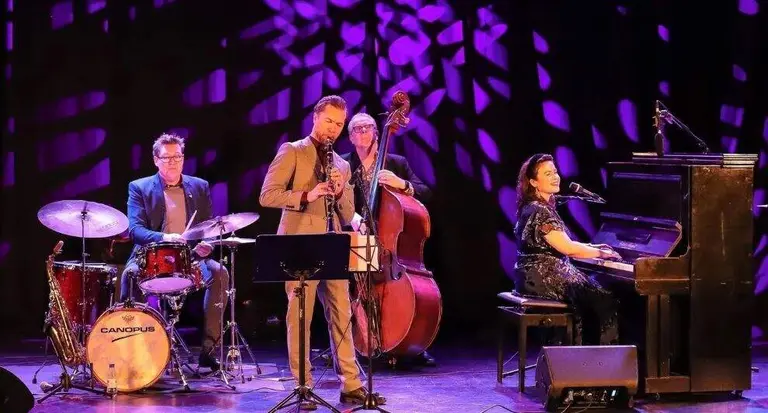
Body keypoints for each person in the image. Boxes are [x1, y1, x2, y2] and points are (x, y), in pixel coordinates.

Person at [259, 95, 386, 409]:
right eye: (329, 120)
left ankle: (351, 385)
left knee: (342, 315)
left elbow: (346, 212)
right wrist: (307, 194)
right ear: (315, 118)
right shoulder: (293, 150)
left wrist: (341, 189)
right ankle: (303, 386)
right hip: (298, 244)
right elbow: (267, 195)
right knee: (299, 317)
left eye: (339, 124)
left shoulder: (341, 163)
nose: (333, 128)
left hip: (332, 245)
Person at [120, 133, 227, 371]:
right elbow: (135, 230)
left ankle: (209, 351)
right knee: (129, 275)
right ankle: (136, 349)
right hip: (150, 256)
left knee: (220, 273)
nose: (173, 162)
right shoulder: (139, 187)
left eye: (177, 156)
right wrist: (165, 237)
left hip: (188, 258)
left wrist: (206, 243)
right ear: (156, 160)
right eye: (167, 157)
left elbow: (207, 226)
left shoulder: (199, 186)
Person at [340, 112, 436, 367]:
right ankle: (351, 342)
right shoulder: (343, 165)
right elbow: (335, 201)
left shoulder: (396, 163)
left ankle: (411, 340)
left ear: (376, 133)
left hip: (390, 244)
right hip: (359, 236)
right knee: (351, 289)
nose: (362, 132)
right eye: (356, 129)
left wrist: (401, 184)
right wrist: (353, 218)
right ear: (350, 137)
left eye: (368, 128)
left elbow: (426, 192)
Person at [514, 153, 620, 345]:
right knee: (605, 299)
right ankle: (602, 361)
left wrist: (593, 247)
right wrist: (602, 253)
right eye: (548, 174)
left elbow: (560, 244)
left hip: (530, 276)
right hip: (543, 276)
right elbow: (568, 248)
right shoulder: (540, 211)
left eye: (555, 171)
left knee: (594, 293)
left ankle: (581, 354)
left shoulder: (533, 207)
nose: (555, 177)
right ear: (533, 182)